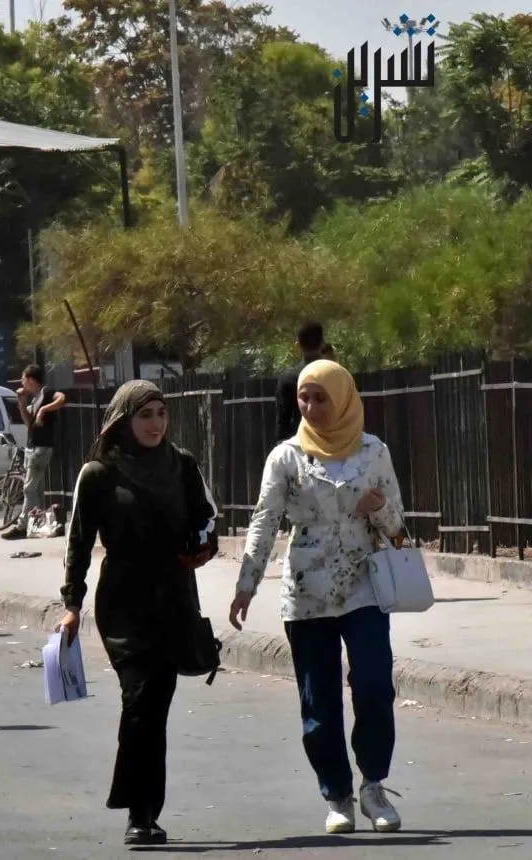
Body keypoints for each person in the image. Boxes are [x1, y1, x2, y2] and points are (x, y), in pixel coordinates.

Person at [233, 359, 406, 836]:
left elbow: (398, 528)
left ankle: (373, 786)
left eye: (321, 397)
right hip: (307, 591)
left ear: (343, 398)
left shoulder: (374, 452)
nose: (310, 407)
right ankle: (337, 795)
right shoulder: (286, 457)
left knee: (373, 685)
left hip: (364, 585)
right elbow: (264, 521)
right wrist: (247, 584)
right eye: (304, 398)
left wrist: (380, 509)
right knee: (319, 700)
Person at [59, 380, 218, 847]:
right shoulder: (99, 474)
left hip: (173, 599)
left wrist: (202, 548)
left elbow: (205, 518)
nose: (155, 424)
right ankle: (136, 809)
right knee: (139, 700)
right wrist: (72, 604)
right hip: (123, 605)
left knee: (156, 709)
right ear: (124, 419)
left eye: (161, 413)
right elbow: (79, 543)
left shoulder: (181, 465)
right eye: (145, 414)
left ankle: (144, 813)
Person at [4, 364, 65, 541]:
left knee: (28, 487)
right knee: (36, 490)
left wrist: (44, 410)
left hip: (42, 447)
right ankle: (35, 522)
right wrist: (21, 403)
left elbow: (62, 399)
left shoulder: (47, 393)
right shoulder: (34, 398)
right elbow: (28, 423)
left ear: (31, 380)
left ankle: (22, 525)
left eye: (23, 379)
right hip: (32, 446)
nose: (22, 383)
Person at [275, 321, 328, 443]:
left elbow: (283, 420)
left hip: (301, 445)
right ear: (323, 344)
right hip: (334, 443)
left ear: (298, 345)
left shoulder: (287, 378)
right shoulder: (337, 374)